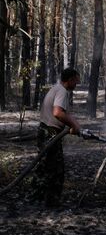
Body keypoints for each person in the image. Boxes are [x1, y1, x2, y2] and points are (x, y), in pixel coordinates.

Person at [30, 68, 81, 207]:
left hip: (46, 131)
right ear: (70, 80)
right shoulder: (62, 92)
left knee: (44, 167)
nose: (77, 84)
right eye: (76, 81)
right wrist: (74, 124)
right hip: (50, 133)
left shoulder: (56, 88)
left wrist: (71, 124)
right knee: (56, 170)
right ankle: (52, 203)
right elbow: (57, 112)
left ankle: (35, 198)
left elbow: (59, 113)